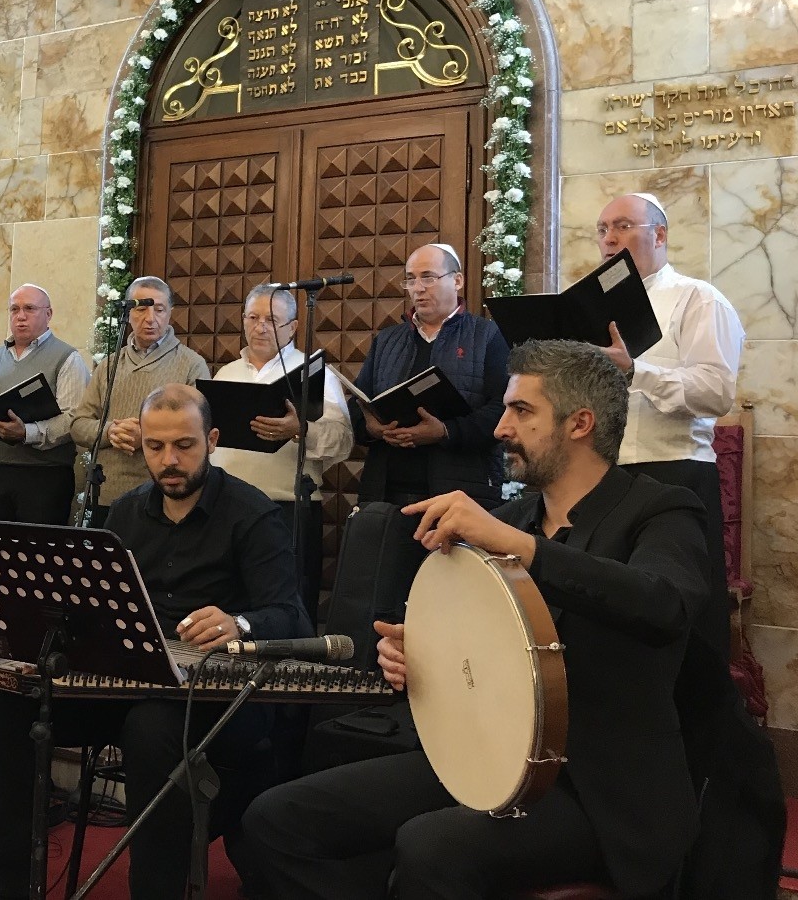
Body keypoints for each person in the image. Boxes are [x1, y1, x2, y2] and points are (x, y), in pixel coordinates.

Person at [240, 340, 714, 900]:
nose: (499, 428)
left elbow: (665, 606)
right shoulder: (511, 519)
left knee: (432, 847)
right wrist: (412, 652)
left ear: (580, 423)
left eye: (522, 411)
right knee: (274, 820)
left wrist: (519, 546)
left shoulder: (659, 510)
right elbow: (468, 642)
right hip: (484, 759)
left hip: (600, 791)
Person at [0, 384, 309, 900]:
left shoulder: (252, 515)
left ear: (212, 440)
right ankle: (4, 887)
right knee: (21, 706)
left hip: (217, 698)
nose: (168, 461)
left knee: (150, 727)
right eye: (155, 447)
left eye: (184, 446)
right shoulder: (127, 513)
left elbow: (292, 617)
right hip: (133, 679)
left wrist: (240, 622)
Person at [595, 191, 743, 657]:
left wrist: (636, 371)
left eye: (621, 226)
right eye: (601, 230)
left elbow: (715, 392)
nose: (609, 239)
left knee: (680, 620)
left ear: (658, 235)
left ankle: (694, 726)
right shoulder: (595, 306)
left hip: (673, 474)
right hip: (605, 477)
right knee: (610, 618)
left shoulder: (698, 298)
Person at [210, 284, 353, 624]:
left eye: (272, 320)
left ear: (293, 327)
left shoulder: (314, 372)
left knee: (285, 608)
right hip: (226, 508)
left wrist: (299, 429)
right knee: (229, 603)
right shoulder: (224, 374)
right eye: (253, 317)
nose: (260, 327)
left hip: (287, 510)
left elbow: (343, 440)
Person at [352, 243, 508, 510]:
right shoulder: (388, 339)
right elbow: (358, 403)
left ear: (457, 280)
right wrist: (372, 427)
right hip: (385, 493)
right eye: (411, 279)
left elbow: (503, 410)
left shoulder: (488, 336)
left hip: (460, 495)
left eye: (428, 277)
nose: (418, 288)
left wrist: (445, 431)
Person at [69, 276, 210, 511]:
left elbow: (200, 429)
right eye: (141, 309)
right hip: (106, 493)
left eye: (159, 309)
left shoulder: (191, 364)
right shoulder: (109, 365)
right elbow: (78, 425)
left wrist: (145, 436)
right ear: (128, 314)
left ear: (170, 313)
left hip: (162, 494)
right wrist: (110, 431)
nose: (150, 318)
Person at [0, 283, 90, 524]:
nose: (20, 316)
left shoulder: (67, 358)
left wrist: (26, 432)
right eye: (14, 309)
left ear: (48, 314)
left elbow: (73, 419)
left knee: (38, 554)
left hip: (43, 476)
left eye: (29, 308)